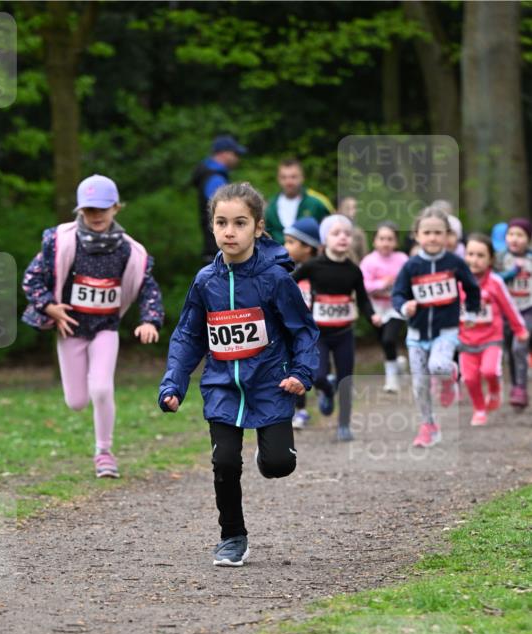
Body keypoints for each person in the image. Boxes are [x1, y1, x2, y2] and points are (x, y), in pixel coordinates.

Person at [158, 181, 320, 567]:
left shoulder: (275, 279)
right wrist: (174, 383)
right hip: (221, 386)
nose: (229, 232)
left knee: (280, 464)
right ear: (212, 227)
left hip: (270, 384)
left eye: (240, 223)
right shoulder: (205, 281)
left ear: (258, 228)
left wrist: (301, 373)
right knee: (226, 463)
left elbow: (304, 331)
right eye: (221, 223)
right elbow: (187, 336)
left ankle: (272, 452)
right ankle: (232, 536)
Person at [22, 174, 164, 479]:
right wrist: (49, 306)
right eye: (89, 210)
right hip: (70, 328)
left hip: (105, 328)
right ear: (79, 211)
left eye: (102, 209)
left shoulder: (129, 251)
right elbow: (30, 279)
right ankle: (88, 407)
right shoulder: (60, 242)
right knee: (76, 402)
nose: (96, 216)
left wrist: (150, 320)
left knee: (101, 388)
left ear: (116, 208)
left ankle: (104, 452)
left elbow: (147, 287)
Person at [391, 207, 480, 448]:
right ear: (417, 235)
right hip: (417, 335)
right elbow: (397, 293)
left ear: (447, 236)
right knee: (420, 385)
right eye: (427, 232)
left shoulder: (454, 263)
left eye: (438, 233)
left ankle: (450, 375)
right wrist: (404, 307)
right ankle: (428, 426)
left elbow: (472, 288)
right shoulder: (411, 266)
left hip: (446, 332)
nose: (432, 238)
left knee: (438, 365)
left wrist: (471, 312)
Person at [293, 214, 382, 442]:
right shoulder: (313, 266)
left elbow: (363, 299)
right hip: (319, 334)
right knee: (317, 374)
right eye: (336, 233)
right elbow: (289, 282)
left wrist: (372, 315)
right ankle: (325, 387)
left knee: (346, 379)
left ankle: (344, 425)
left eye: (347, 234)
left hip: (344, 333)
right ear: (325, 240)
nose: (342, 237)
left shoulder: (354, 270)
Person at [458, 233, 527, 426]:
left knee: (489, 371)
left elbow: (508, 307)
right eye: (470, 254)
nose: (474, 260)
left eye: (480, 255)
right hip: (466, 340)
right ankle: (479, 409)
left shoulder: (495, 282)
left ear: (490, 260)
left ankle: (495, 390)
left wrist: (519, 328)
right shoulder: (457, 281)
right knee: (470, 379)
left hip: (491, 338)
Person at [360, 222, 409, 392]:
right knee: (384, 342)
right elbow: (362, 286)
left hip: (395, 307)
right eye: (382, 238)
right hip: (376, 308)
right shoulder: (368, 261)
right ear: (375, 241)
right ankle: (398, 363)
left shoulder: (402, 259)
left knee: (389, 339)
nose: (385, 243)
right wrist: (382, 283)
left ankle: (391, 380)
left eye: (390, 239)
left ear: (395, 242)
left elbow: (409, 282)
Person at [283, 217, 321, 429]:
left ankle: (321, 390)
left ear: (307, 247)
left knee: (312, 367)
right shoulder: (283, 270)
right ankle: (296, 409)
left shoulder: (319, 272)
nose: (285, 246)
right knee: (293, 367)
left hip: (316, 331)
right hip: (292, 330)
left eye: (290, 242)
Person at [192, 134, 247, 263]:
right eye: (235, 154)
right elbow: (228, 210)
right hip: (218, 250)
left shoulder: (210, 174)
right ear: (224, 154)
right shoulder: (215, 178)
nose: (237, 159)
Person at [495, 217, 532, 408]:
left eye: (520, 235)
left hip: (527, 309)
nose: (515, 239)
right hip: (506, 311)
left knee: (520, 347)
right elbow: (494, 279)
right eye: (511, 234)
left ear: (528, 239)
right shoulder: (501, 258)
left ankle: (521, 388)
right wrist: (511, 273)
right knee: (509, 350)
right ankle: (516, 385)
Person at [264, 158, 332, 245]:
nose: (288, 182)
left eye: (293, 177)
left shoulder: (317, 203)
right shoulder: (270, 206)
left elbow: (331, 232)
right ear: (278, 179)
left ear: (302, 177)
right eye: (284, 177)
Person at [337, 196, 368, 263]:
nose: (353, 211)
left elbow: (364, 257)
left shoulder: (359, 233)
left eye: (354, 207)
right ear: (340, 209)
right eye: (348, 207)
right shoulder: (332, 230)